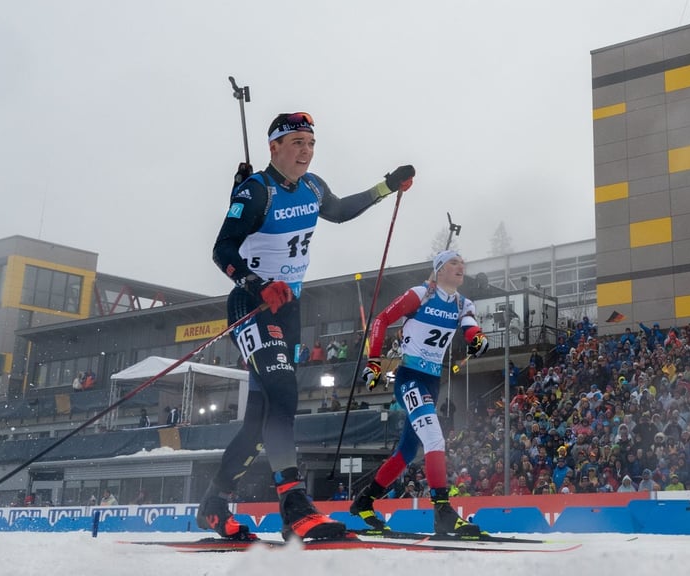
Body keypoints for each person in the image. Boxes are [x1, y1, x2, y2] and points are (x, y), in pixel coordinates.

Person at [199, 111, 415, 542]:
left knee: (259, 421)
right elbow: (221, 248)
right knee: (283, 394)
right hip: (254, 304)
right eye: (296, 141)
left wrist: (386, 186)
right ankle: (294, 505)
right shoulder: (256, 190)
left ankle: (214, 503)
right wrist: (256, 284)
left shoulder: (314, 187)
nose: (305, 150)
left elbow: (339, 210)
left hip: (289, 309)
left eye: (310, 143)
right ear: (274, 147)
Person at [349, 250, 489, 535]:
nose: (461, 265)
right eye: (454, 262)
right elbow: (380, 321)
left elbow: (470, 328)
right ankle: (442, 510)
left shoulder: (464, 304)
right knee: (435, 437)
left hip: (432, 383)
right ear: (439, 270)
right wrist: (374, 363)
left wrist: (478, 340)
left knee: (407, 451)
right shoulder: (421, 294)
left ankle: (364, 501)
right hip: (409, 378)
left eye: (463, 261)